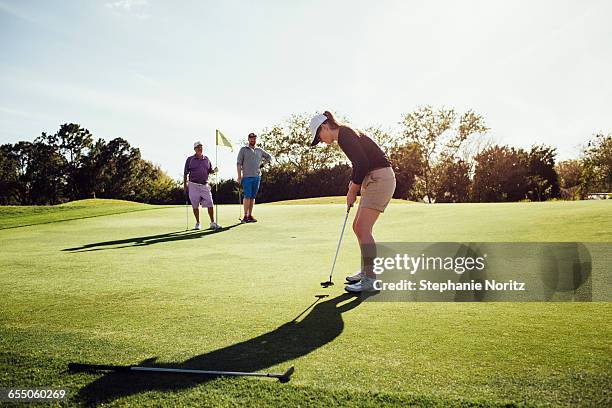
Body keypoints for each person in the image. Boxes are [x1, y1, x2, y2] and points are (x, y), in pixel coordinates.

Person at [309, 111, 396, 293]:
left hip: (379, 178)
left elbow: (362, 163)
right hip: (373, 178)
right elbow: (359, 164)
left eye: (319, 137)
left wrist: (352, 190)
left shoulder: (345, 134)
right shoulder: (345, 134)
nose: (322, 141)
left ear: (324, 127)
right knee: (358, 227)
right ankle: (366, 271)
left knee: (363, 228)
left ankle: (371, 279)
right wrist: (352, 184)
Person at [184, 141, 221, 230]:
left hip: (204, 185)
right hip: (193, 185)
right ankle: (198, 223)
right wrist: (185, 185)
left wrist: (214, 171)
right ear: (194, 149)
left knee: (210, 203)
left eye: (201, 147)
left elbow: (210, 171)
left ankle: (212, 222)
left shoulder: (207, 159)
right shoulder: (190, 159)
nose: (200, 148)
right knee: (195, 205)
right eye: (198, 147)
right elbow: (185, 173)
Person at [236, 132, 272, 223]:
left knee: (252, 197)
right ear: (248, 139)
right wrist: (239, 176)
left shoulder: (259, 150)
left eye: (254, 138)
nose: (253, 140)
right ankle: (245, 216)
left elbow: (269, 157)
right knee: (247, 196)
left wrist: (262, 165)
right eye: (251, 138)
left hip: (257, 176)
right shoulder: (243, 150)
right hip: (247, 177)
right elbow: (238, 163)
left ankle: (250, 215)